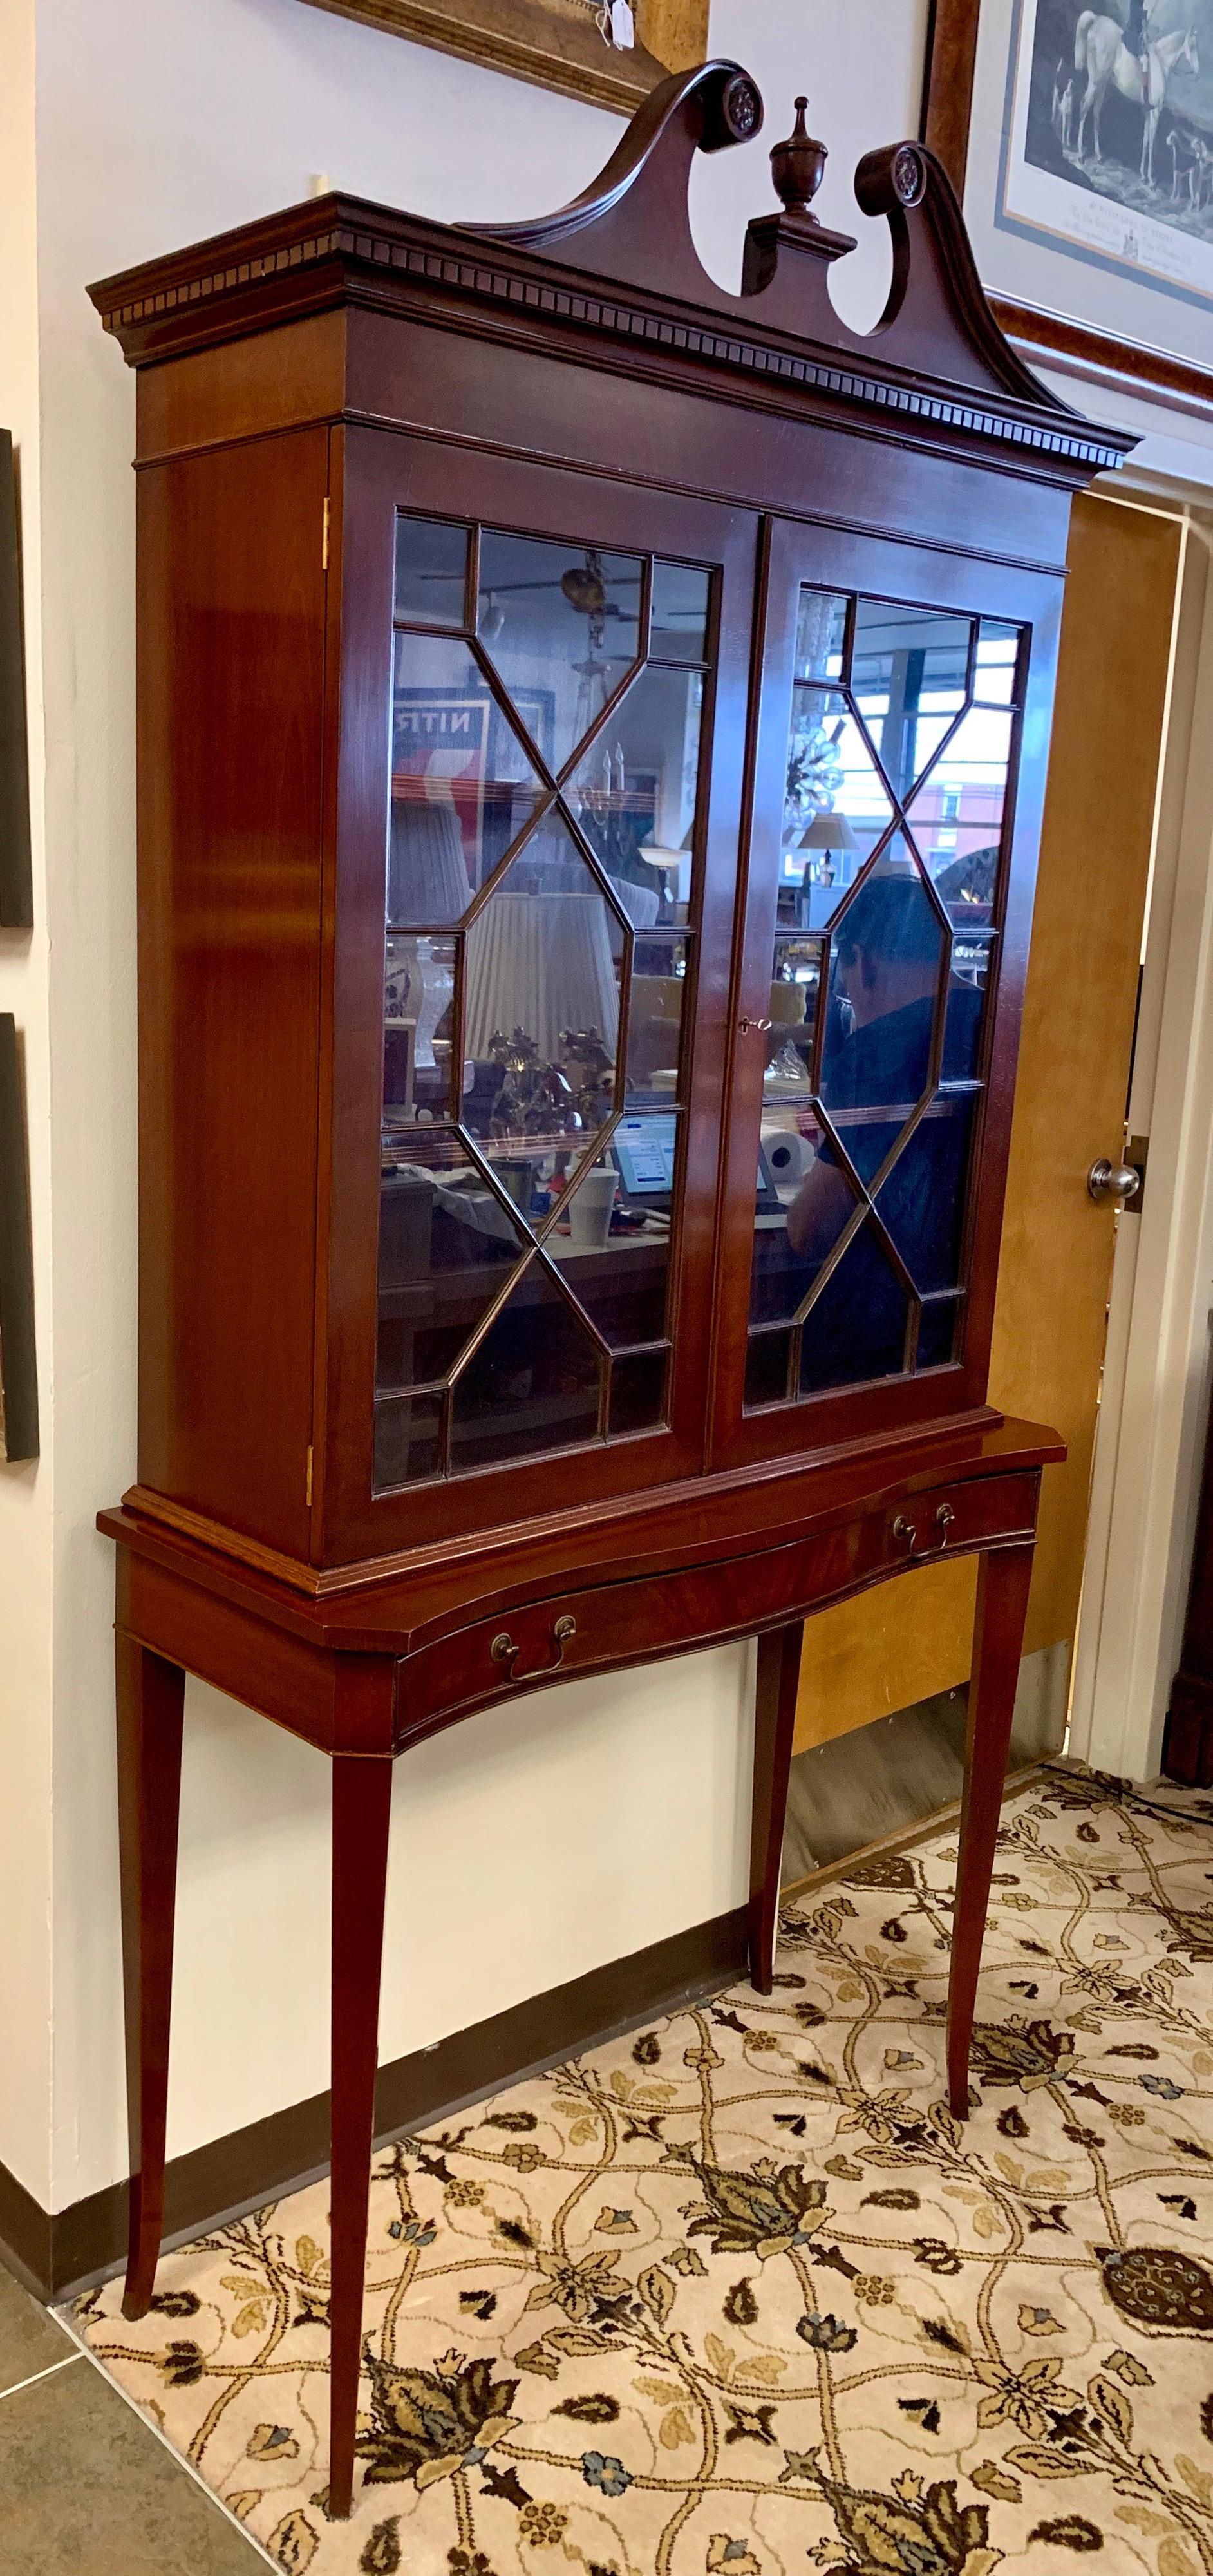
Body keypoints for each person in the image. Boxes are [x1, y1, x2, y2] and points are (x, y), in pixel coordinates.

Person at [771, 873, 983, 1388]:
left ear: (860, 960)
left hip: (879, 1337)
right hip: (970, 1325)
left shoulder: (883, 1050)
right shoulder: (994, 1021)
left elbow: (808, 1233)